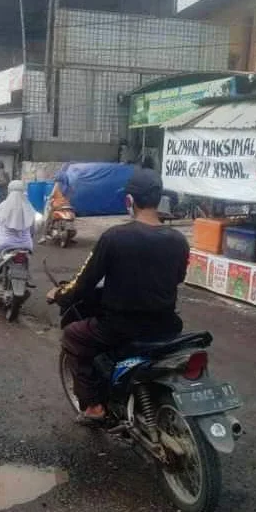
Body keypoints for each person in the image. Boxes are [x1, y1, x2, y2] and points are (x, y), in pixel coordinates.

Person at [47, 168, 189, 420]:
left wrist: (60, 293)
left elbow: (84, 282)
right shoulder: (178, 240)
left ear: (130, 201)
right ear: (158, 200)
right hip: (167, 327)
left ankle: (93, 407)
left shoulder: (115, 237)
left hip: (120, 327)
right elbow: (177, 278)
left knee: (73, 336)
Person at [0, 180, 35, 284]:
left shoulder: (3, 206)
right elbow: (33, 229)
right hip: (26, 244)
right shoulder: (29, 207)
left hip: (4, 243)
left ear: (9, 191)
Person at [41, 174, 73, 241]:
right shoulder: (70, 187)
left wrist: (49, 197)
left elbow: (52, 195)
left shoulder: (57, 185)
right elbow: (70, 197)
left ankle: (43, 236)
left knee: (47, 217)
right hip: (67, 206)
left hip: (57, 206)